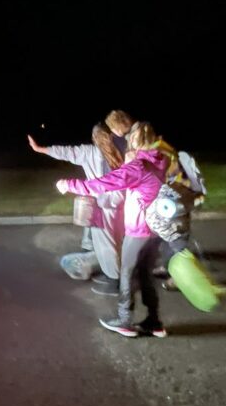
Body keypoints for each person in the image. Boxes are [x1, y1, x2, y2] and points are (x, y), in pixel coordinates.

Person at [56, 122, 169, 338]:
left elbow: (105, 184)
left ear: (133, 142)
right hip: (155, 231)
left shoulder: (138, 168)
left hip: (138, 231)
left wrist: (69, 185)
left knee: (126, 273)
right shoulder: (160, 161)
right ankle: (154, 322)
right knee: (146, 276)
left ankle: (125, 320)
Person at [28, 124, 125, 290]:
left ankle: (116, 282)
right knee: (111, 242)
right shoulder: (119, 152)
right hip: (118, 204)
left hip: (103, 204)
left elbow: (66, 152)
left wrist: (40, 149)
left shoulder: (90, 152)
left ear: (95, 138)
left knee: (106, 244)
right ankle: (111, 274)